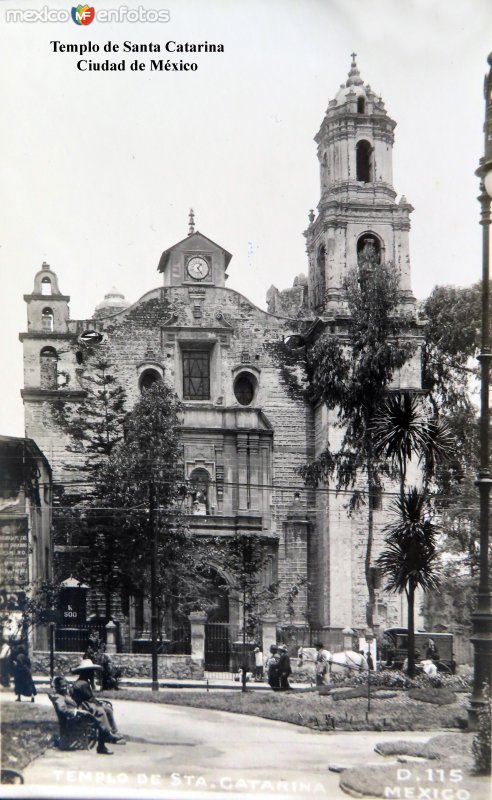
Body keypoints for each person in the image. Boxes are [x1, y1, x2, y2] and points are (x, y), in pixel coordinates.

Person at [51, 676, 122, 755]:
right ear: (57, 687)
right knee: (100, 713)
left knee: (105, 710)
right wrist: (77, 711)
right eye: (62, 686)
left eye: (65, 685)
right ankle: (104, 741)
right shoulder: (58, 697)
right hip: (74, 718)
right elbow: (63, 710)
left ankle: (109, 733)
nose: (64, 688)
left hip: (80, 712)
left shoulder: (64, 694)